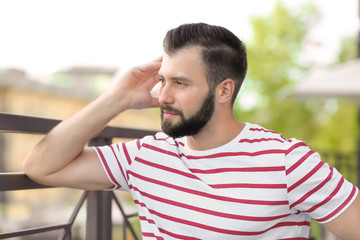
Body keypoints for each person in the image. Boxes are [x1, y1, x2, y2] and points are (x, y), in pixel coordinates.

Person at [23, 23, 360, 239]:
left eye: (180, 83)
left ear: (224, 91)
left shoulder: (287, 161)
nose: (164, 96)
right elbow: (40, 166)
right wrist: (118, 97)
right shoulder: (145, 155)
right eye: (162, 81)